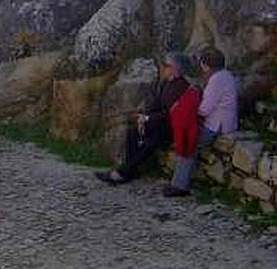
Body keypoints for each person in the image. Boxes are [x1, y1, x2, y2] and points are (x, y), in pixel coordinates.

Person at [95, 52, 192, 185]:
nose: (164, 68)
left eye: (167, 65)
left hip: (170, 127)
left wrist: (148, 118)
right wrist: (143, 116)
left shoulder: (183, 87)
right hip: (157, 122)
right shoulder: (166, 83)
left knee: (150, 143)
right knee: (132, 133)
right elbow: (156, 103)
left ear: (176, 68)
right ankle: (130, 172)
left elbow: (171, 113)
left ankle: (122, 173)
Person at [164, 46, 238, 197]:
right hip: (226, 122)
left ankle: (180, 186)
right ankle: (178, 182)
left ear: (205, 65)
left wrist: (187, 107)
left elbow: (204, 109)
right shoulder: (226, 75)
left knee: (188, 144)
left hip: (217, 125)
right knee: (189, 141)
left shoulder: (216, 80)